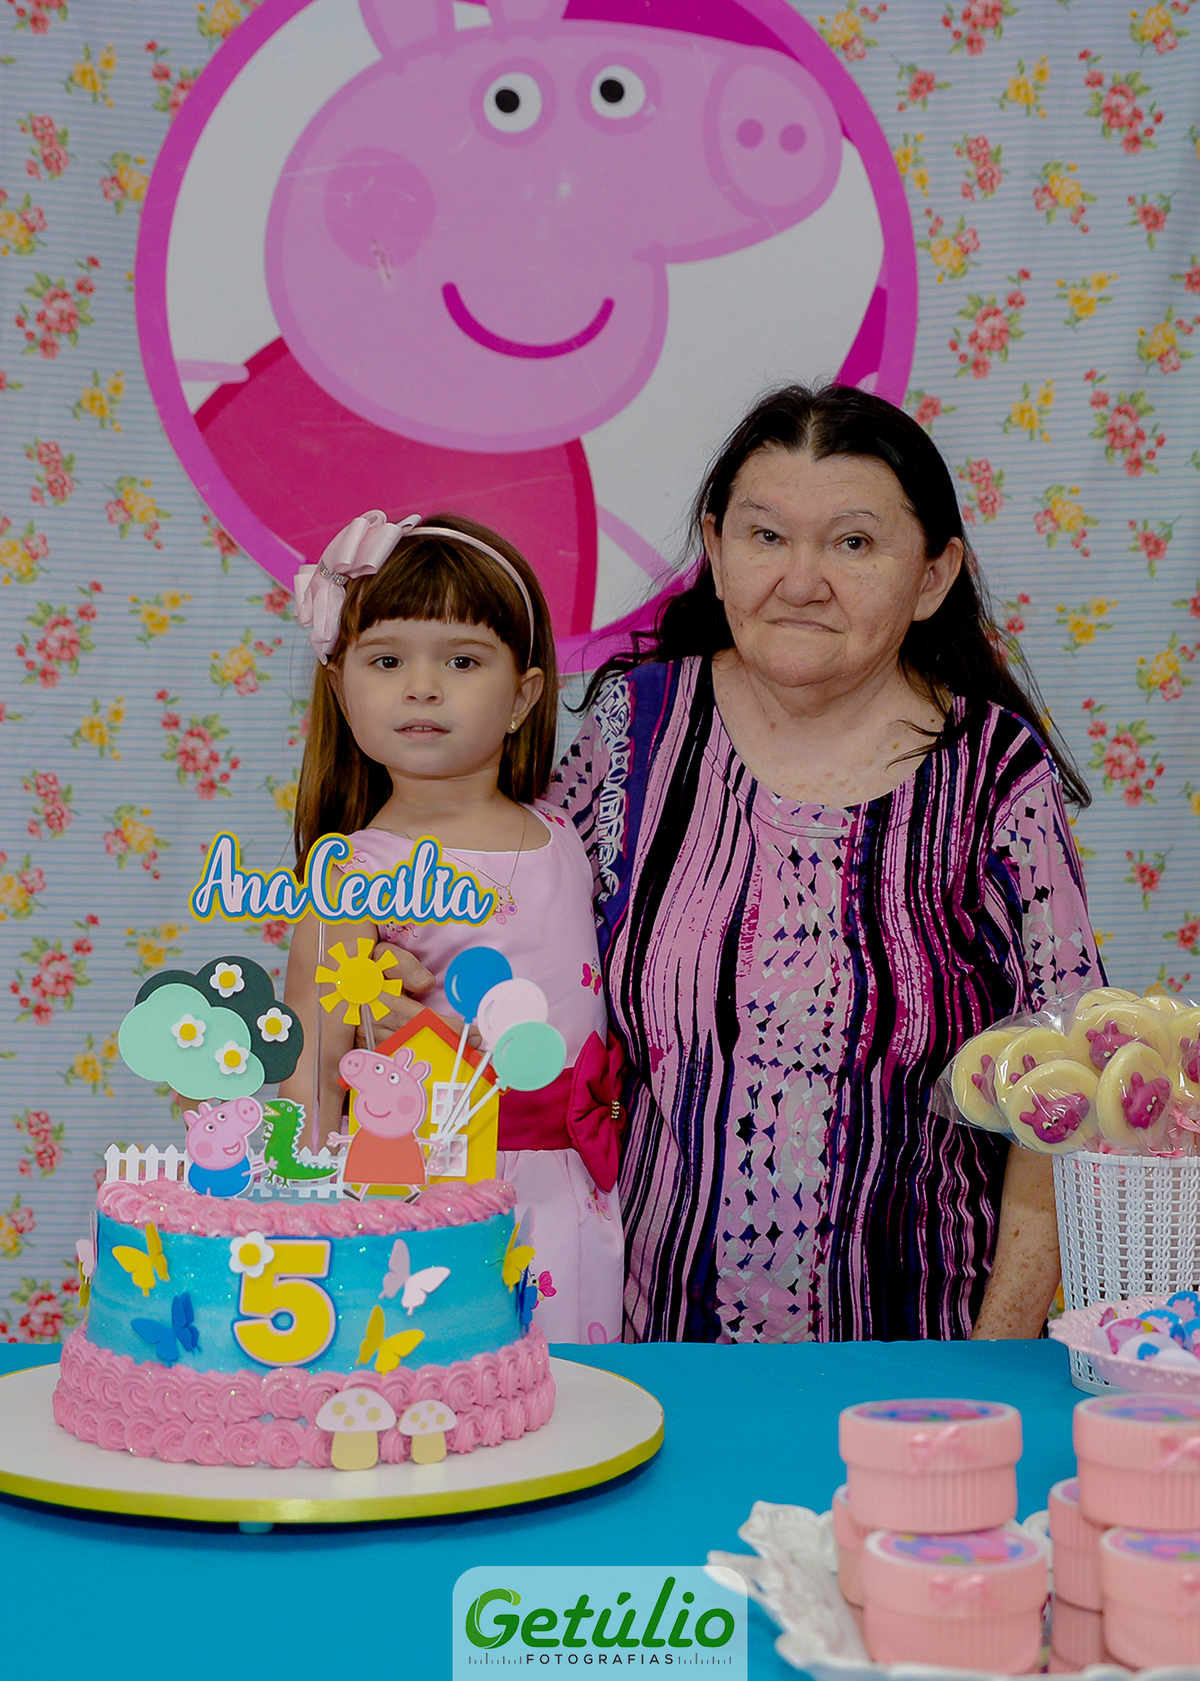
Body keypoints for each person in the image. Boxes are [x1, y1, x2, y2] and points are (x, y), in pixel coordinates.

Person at [544, 382, 1102, 1344]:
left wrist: (995, 1359)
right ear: (716, 551)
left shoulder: (994, 773)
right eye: (765, 536)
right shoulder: (632, 731)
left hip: (918, 1368)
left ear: (932, 576)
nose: (800, 581)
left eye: (852, 543)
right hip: (648, 1360)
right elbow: (525, 970)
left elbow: (1066, 1087)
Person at [280, 510, 625, 1344]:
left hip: (574, 1193)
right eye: (387, 660)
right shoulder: (351, 876)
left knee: (576, 1390)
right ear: (341, 690)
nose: (422, 687)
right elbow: (311, 1076)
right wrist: (305, 1228)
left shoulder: (566, 832)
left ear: (523, 696)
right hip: (426, 1194)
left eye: (462, 661)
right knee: (446, 1383)